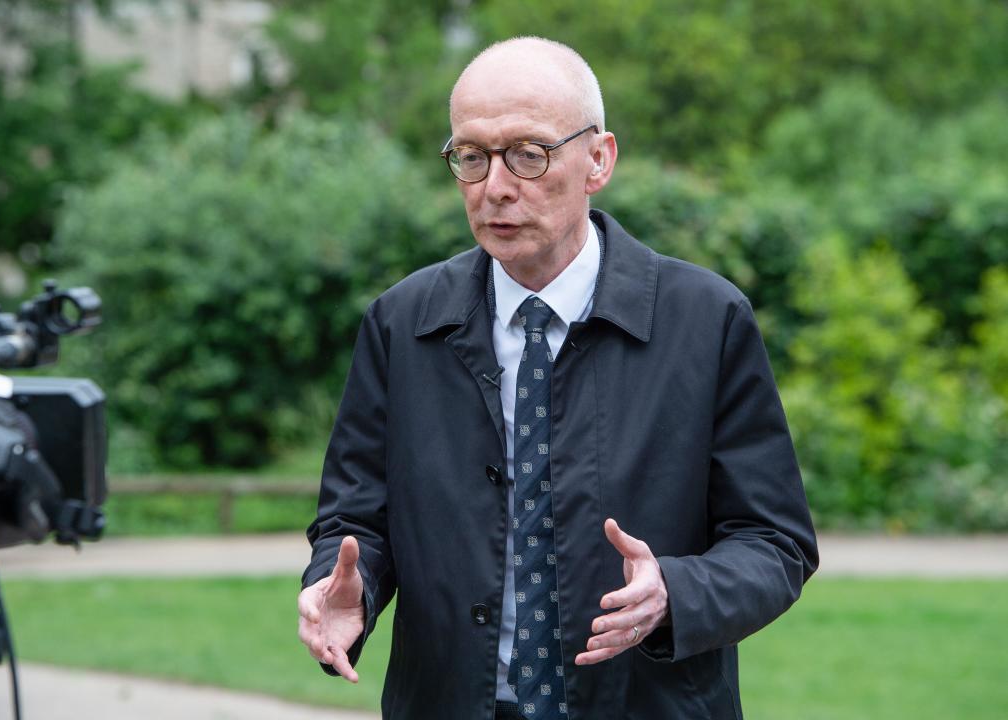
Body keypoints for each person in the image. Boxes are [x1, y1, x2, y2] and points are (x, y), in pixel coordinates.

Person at [298, 36, 818, 720]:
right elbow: (356, 516)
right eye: (472, 157)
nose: (495, 187)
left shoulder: (706, 319)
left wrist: (675, 593)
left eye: (528, 154)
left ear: (597, 159)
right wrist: (349, 587)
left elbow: (775, 543)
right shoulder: (403, 323)